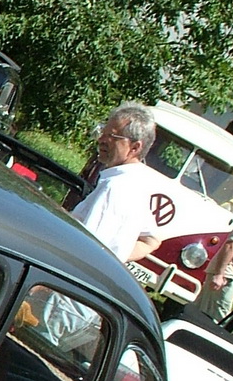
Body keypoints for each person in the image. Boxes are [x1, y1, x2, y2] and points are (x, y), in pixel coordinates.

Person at [70, 103, 166, 262]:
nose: (101, 140)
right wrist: (117, 258)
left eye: (112, 137)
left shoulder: (114, 188)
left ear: (135, 147)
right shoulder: (138, 184)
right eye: (103, 132)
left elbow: (84, 250)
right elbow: (151, 240)